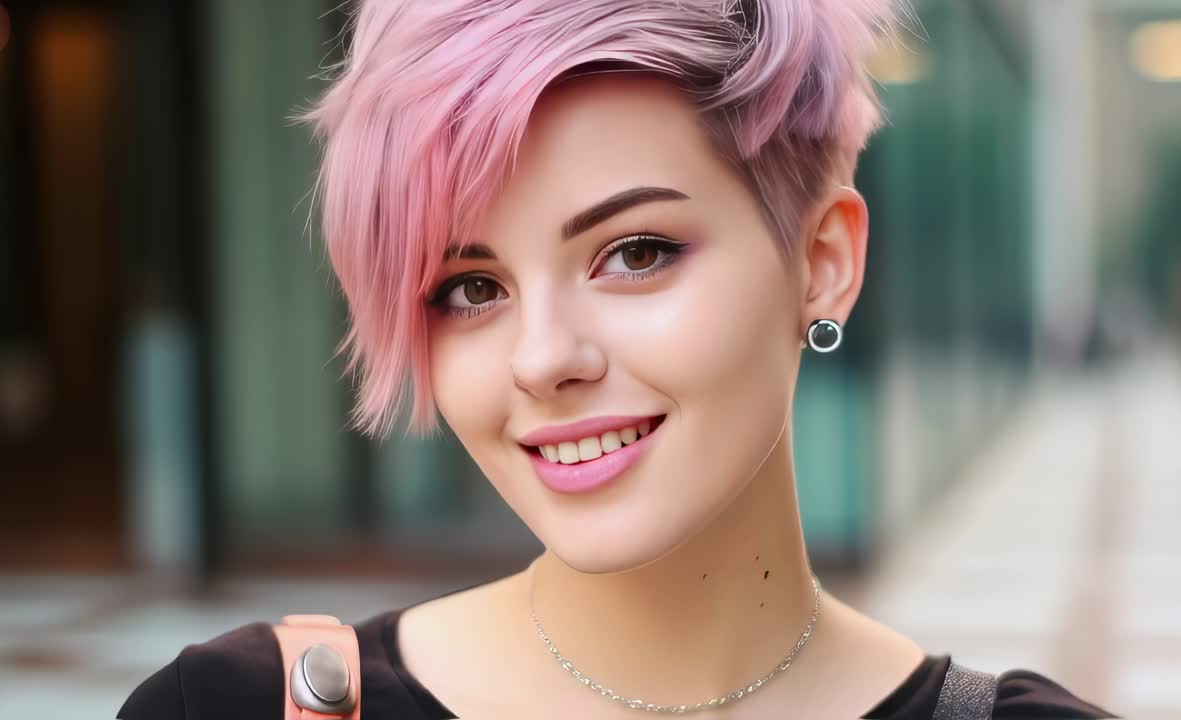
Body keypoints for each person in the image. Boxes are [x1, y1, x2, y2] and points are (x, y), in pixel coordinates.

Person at [119, 0, 1116, 717]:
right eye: (471, 287)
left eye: (634, 253)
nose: (542, 359)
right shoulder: (231, 709)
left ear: (822, 262)